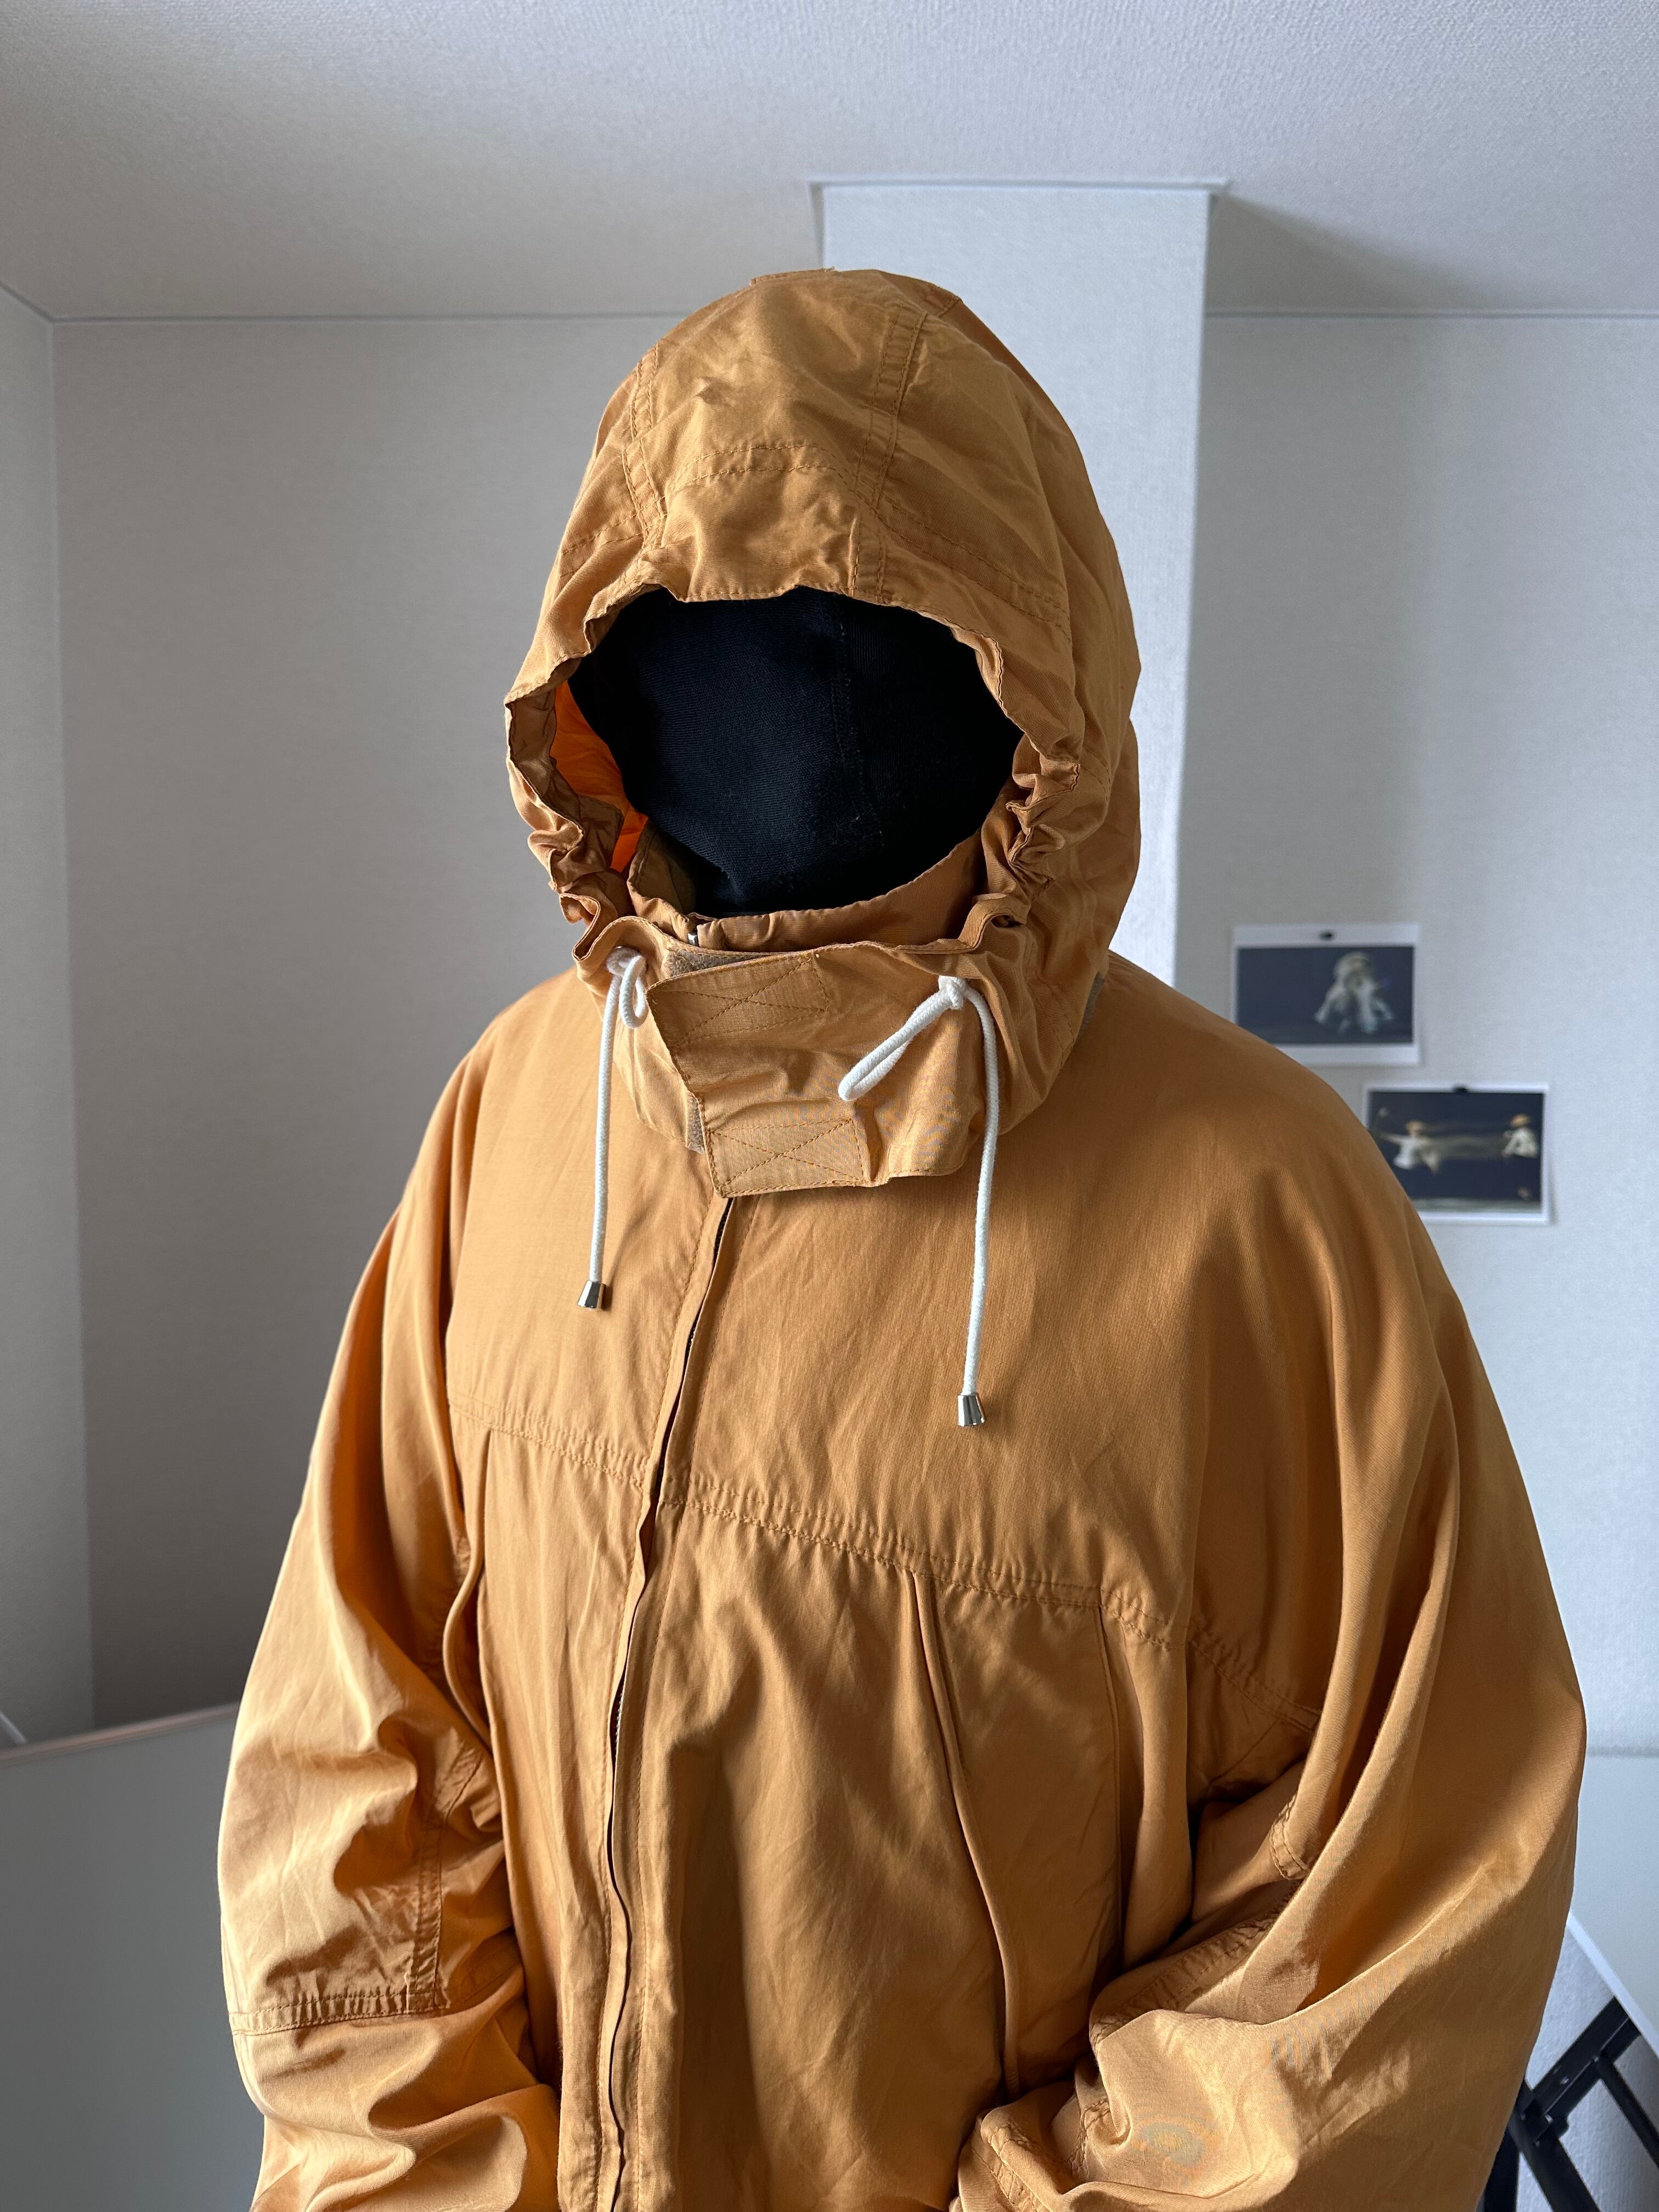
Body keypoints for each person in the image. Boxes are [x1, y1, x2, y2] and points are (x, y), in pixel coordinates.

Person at [219, 268, 1583, 2212]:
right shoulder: (513, 1121)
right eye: (701, 622)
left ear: (1033, 675)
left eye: (890, 627)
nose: (801, 690)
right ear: (602, 678)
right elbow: (357, 1757)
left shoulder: (1267, 1213)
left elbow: (1376, 1935)